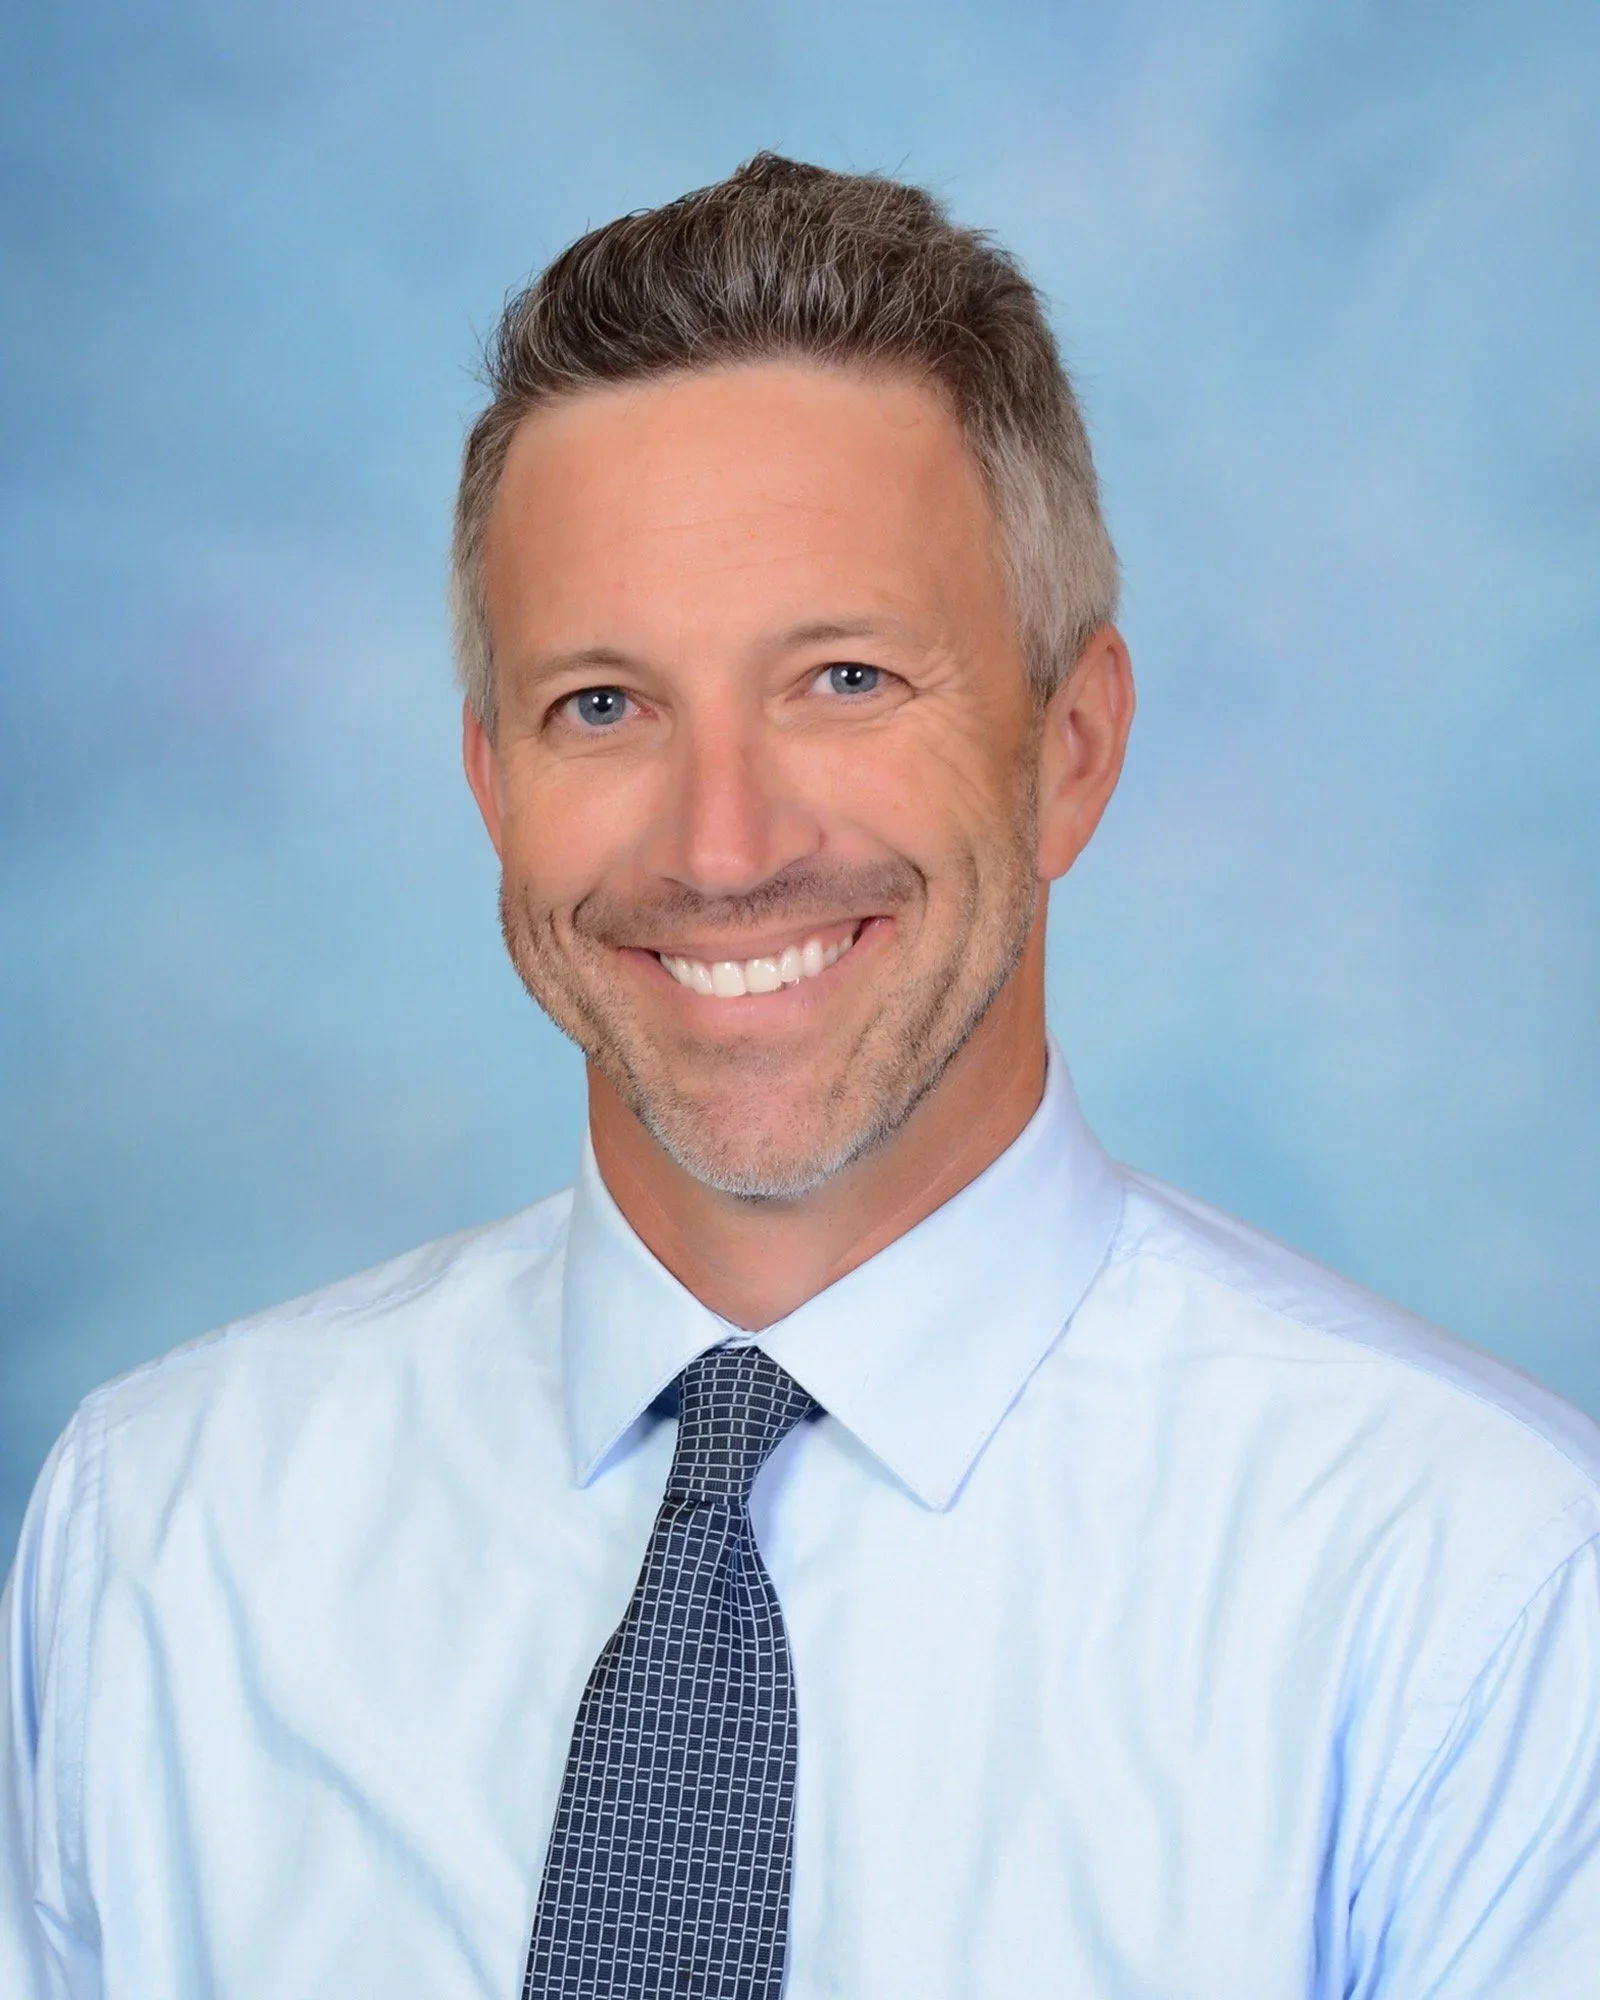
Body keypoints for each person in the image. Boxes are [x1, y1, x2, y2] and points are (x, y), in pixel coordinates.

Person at [3, 154, 1597, 2000]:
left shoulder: (1474, 1593)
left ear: (1071, 749)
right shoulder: (165, 1532)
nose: (723, 841)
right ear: (488, 782)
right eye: (601, 704)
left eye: (842, 677)